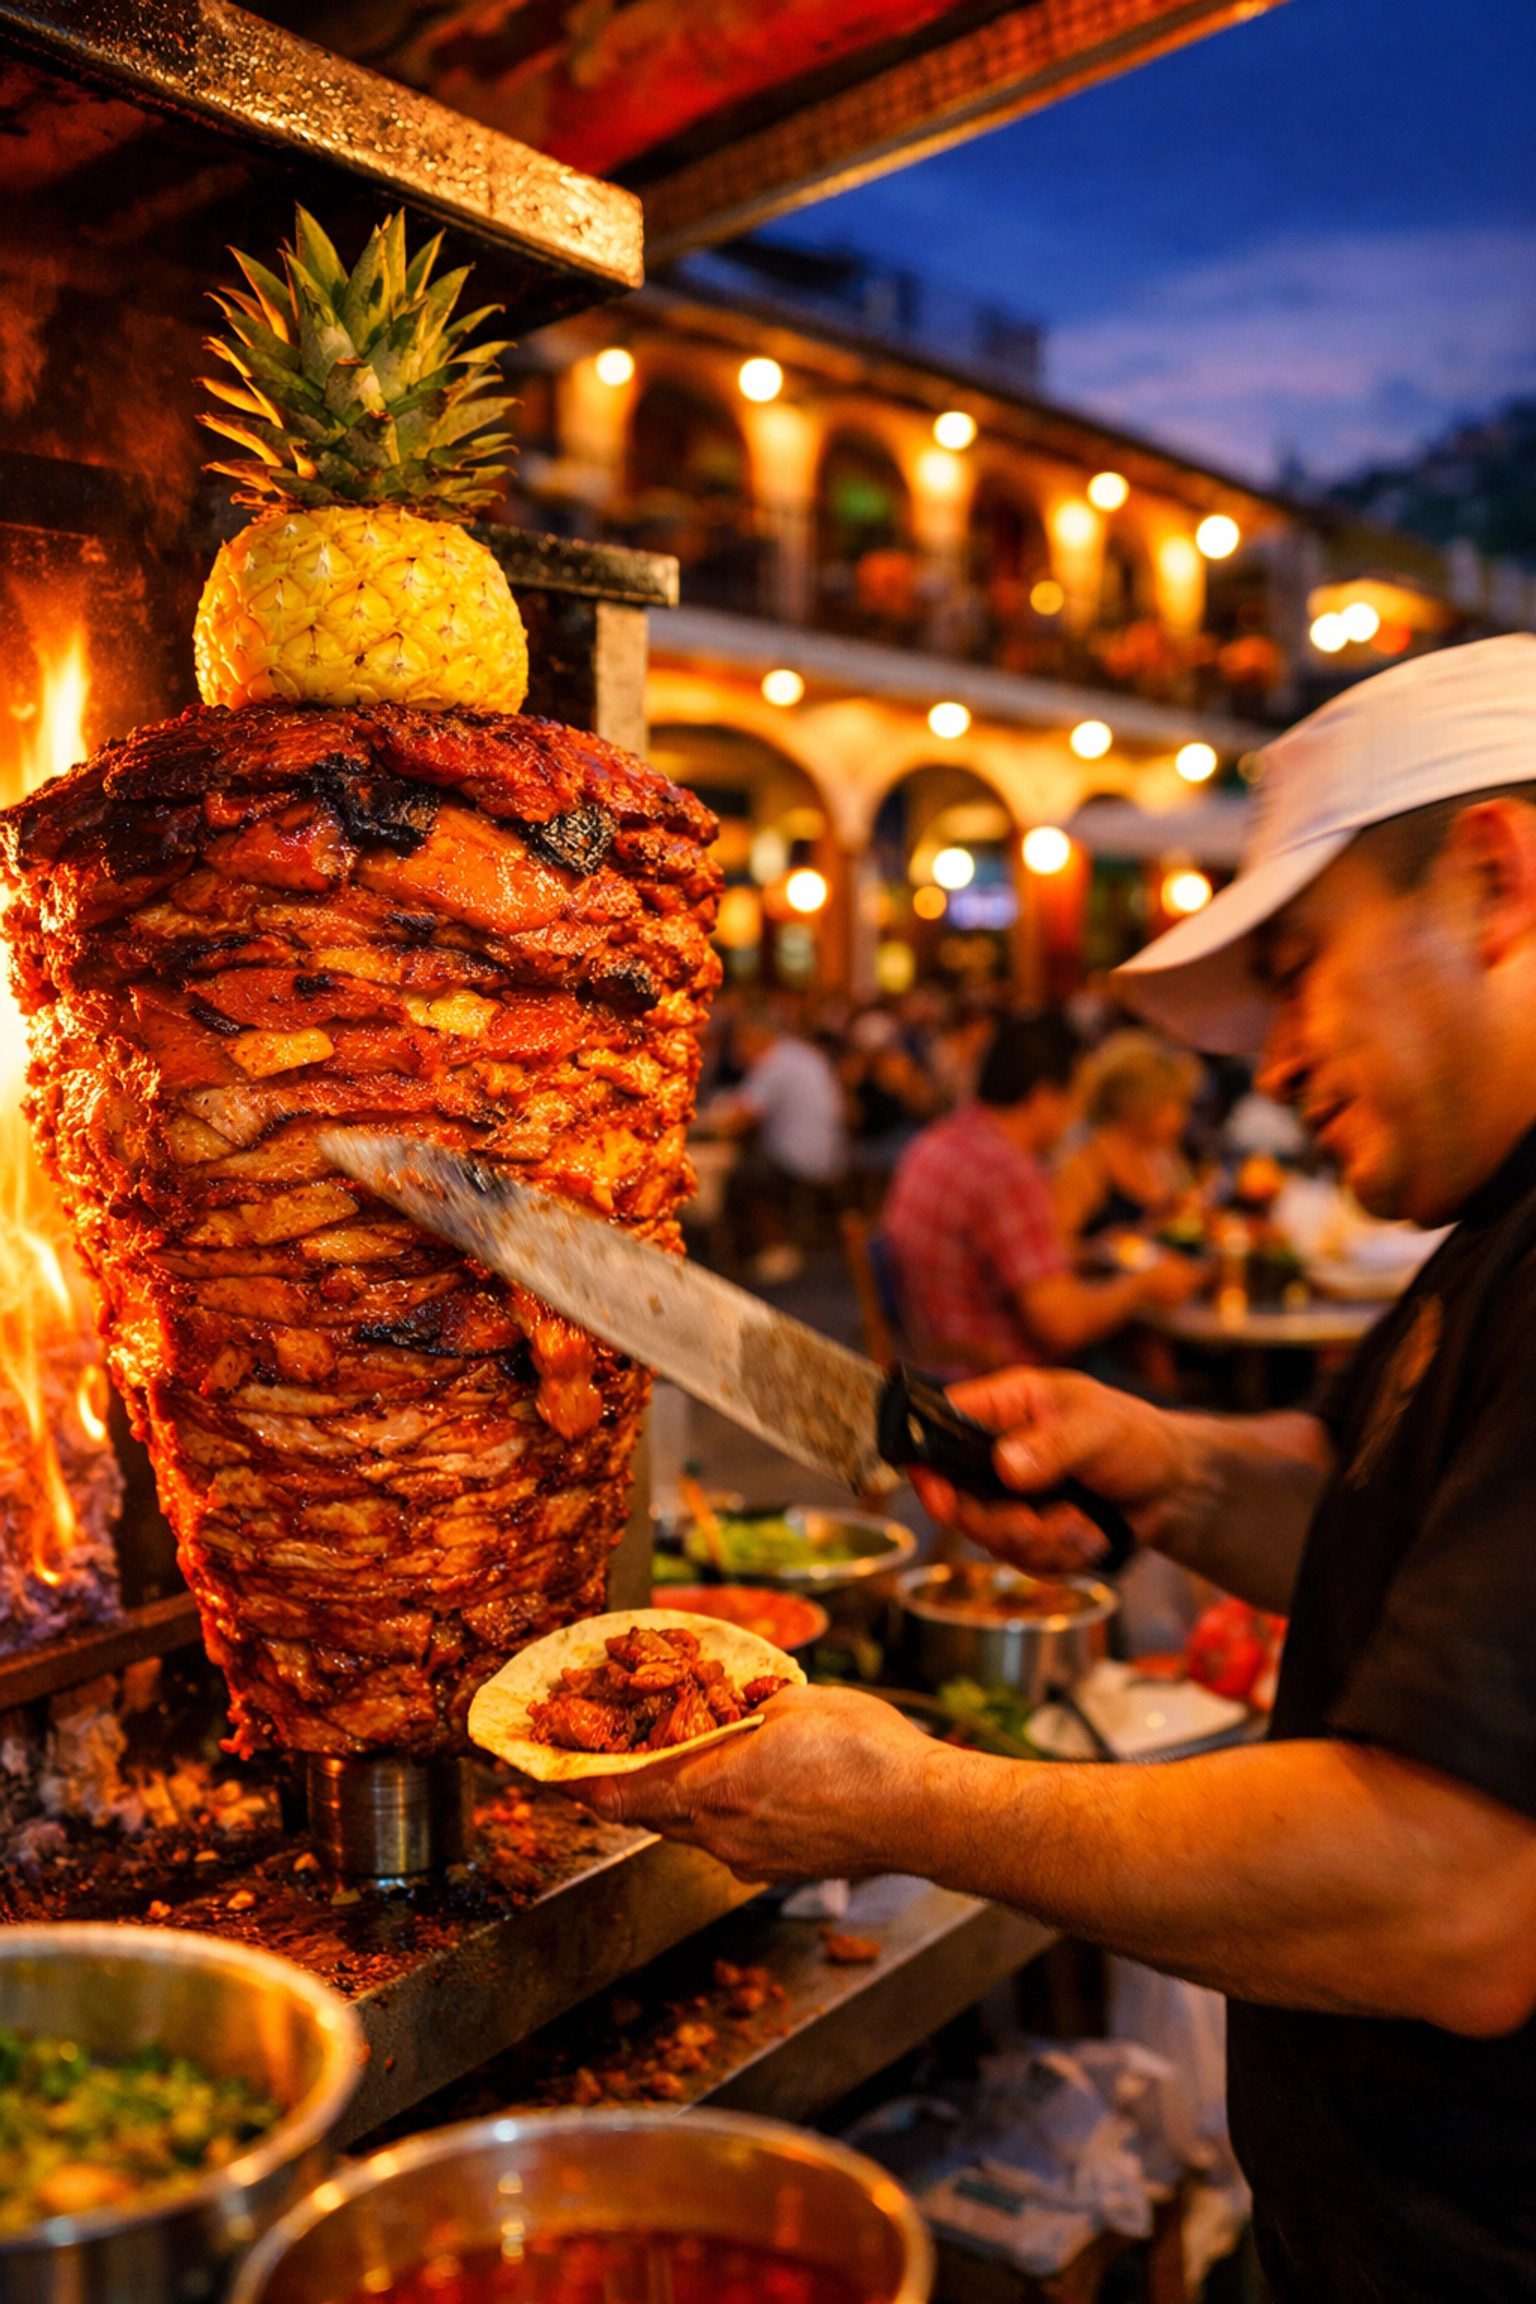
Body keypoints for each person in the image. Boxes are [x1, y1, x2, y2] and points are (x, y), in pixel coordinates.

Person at [575, 635, 1536, 2303]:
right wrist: (1162, 1465)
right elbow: (1389, 1527)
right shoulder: (1496, 1236)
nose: (1275, 1059)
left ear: (1495, 879)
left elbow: (1455, 1889)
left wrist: (913, 1794)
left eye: (1302, 965)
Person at [881, 1011, 1200, 1374]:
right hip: (997, 1382)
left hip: (928, 1365)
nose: (1074, 1117)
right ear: (1045, 1098)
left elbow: (1010, 1264)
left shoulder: (935, 1141)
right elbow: (1061, 1326)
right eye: (1073, 1101)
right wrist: (1141, 1286)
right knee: (1178, 1405)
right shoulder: (1008, 1171)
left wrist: (1087, 1256)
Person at [700, 1002, 846, 1281]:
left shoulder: (774, 1062)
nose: (738, 1050)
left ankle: (774, 1248)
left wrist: (710, 1117)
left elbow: (741, 1116)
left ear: (754, 1036)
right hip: (830, 1154)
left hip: (800, 1159)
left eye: (741, 1041)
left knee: (742, 1177)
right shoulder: (802, 1055)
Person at [1052, 1030, 1200, 1248]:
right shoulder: (1086, 1166)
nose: (1181, 1118)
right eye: (1172, 1105)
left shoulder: (1165, 1155)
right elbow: (1054, 1246)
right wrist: (1099, 1250)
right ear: (1136, 1104)